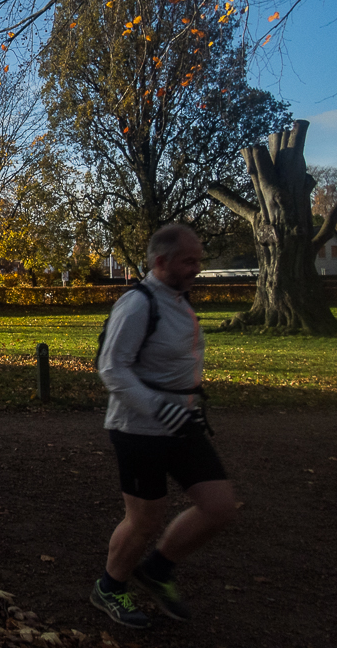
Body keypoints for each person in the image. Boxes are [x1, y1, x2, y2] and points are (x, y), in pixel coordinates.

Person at [91, 224, 236, 629]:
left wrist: (179, 407)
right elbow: (111, 367)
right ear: (161, 262)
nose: (197, 268)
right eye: (189, 261)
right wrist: (157, 407)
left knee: (220, 507)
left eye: (198, 260)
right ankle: (109, 586)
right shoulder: (137, 304)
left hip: (182, 421)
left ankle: (156, 569)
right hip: (137, 428)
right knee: (145, 520)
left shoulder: (177, 299)